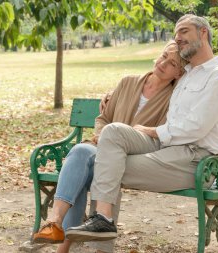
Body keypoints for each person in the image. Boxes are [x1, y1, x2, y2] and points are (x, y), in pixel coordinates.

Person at [64, 14, 218, 243]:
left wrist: (154, 131)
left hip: (197, 161)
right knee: (113, 133)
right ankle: (103, 219)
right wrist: (111, 96)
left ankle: (96, 240)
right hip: (168, 150)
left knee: (103, 166)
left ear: (203, 32)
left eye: (184, 31)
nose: (178, 37)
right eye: (176, 34)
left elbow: (197, 127)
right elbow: (154, 82)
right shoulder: (187, 76)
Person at [32, 40, 186, 253]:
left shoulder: (173, 98)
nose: (163, 64)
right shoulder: (128, 82)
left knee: (86, 164)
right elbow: (103, 118)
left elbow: (159, 135)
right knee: (80, 155)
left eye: (172, 63)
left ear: (179, 73)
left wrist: (113, 135)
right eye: (163, 56)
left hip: (135, 157)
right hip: (103, 150)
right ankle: (56, 223)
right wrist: (100, 135)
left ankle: (62, 240)